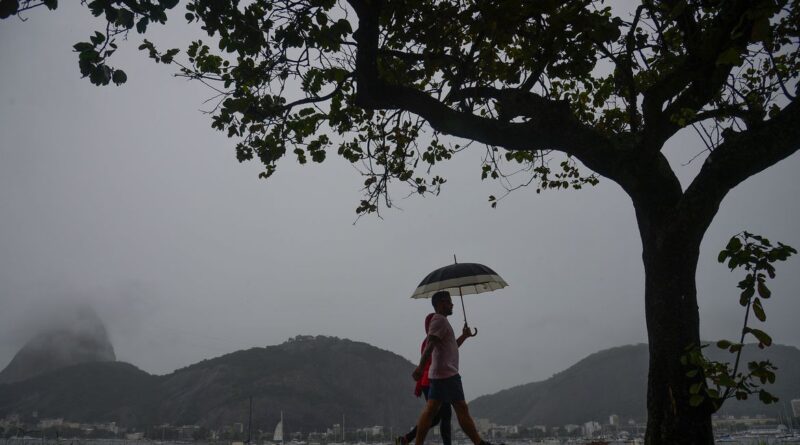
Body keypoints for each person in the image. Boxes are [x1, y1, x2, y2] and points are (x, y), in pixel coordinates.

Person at [411, 291, 492, 445]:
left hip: (441, 374)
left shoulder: (442, 322)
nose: (452, 304)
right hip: (447, 375)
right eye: (449, 301)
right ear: (440, 304)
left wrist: (464, 336)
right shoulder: (439, 321)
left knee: (431, 412)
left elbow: (450, 346)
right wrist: (420, 368)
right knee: (460, 409)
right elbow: (430, 345)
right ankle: (479, 443)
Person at [396, 313, 452, 445]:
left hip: (428, 381)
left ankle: (406, 439)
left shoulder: (428, 340)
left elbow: (450, 349)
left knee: (434, 417)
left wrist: (464, 336)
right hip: (435, 380)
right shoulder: (433, 340)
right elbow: (430, 358)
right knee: (445, 415)